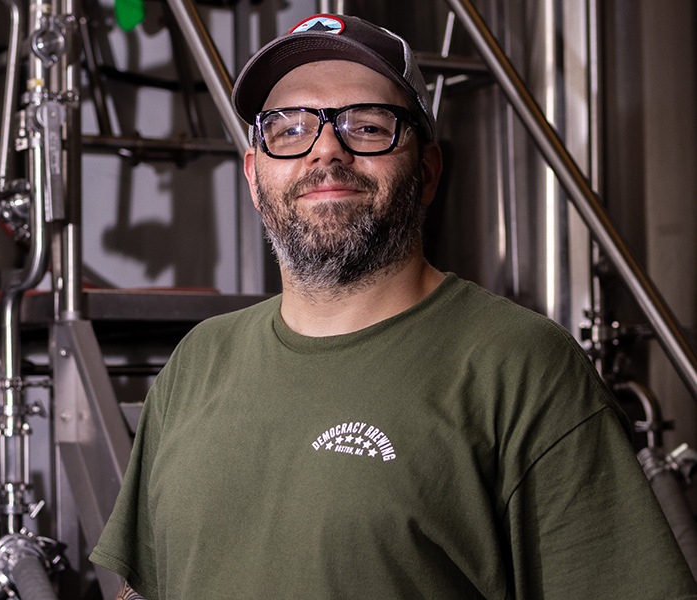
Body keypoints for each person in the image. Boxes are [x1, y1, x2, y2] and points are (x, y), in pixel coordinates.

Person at [90, 13, 697, 599]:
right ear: (254, 175)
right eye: (290, 127)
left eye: (368, 125)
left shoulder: (521, 367)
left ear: (428, 171)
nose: (326, 151)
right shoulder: (198, 362)